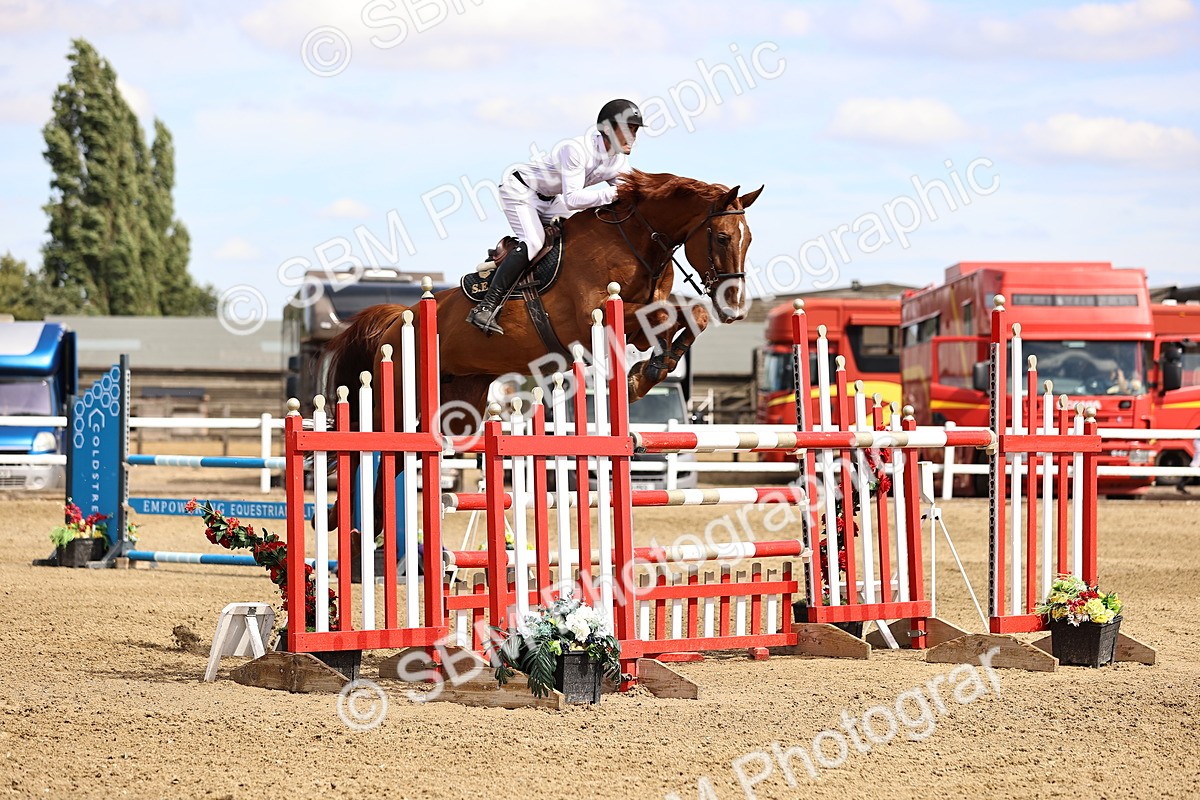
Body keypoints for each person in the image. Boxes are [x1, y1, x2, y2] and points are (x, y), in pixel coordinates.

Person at [466, 99, 643, 335]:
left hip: (550, 199)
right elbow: (573, 199)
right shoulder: (576, 149)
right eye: (627, 129)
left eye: (635, 130)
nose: (633, 136)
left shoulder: (619, 160)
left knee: (581, 234)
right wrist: (613, 193)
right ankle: (486, 307)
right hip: (521, 191)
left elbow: (628, 193)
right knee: (534, 241)